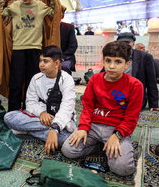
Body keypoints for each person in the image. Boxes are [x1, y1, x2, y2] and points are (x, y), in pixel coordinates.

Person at [61, 41, 143, 176]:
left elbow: (131, 117)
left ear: (126, 64)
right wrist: (83, 128)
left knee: (123, 169)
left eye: (118, 62)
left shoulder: (135, 85)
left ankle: (108, 146)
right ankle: (100, 146)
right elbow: (87, 106)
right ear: (103, 61)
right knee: (68, 150)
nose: (111, 66)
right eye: (108, 61)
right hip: (93, 126)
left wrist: (117, 136)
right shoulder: (94, 79)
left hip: (116, 128)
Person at [0, 0, 56, 111]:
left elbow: (53, 14)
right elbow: (2, 14)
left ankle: (29, 109)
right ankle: (12, 112)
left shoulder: (41, 6)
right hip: (18, 49)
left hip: (35, 49)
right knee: (16, 83)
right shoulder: (15, 6)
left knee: (32, 82)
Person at [4, 46, 76, 153]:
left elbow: (67, 107)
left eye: (45, 61)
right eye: (40, 61)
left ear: (56, 64)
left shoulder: (66, 79)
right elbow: (30, 102)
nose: (41, 64)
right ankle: (56, 129)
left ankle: (28, 130)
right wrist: (41, 113)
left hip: (63, 118)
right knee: (8, 117)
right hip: (40, 118)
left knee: (70, 142)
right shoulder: (36, 78)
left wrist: (55, 126)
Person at [116, 32, 159, 112]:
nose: (124, 45)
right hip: (114, 94)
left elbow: (151, 81)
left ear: (133, 44)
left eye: (127, 43)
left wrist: (154, 105)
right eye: (121, 43)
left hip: (135, 97)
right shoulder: (112, 56)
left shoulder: (145, 57)